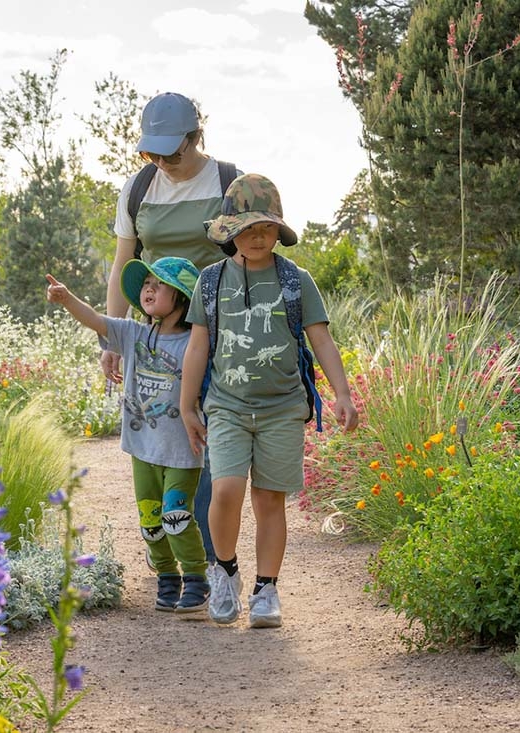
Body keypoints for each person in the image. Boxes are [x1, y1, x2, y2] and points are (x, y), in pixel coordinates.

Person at [179, 173, 359, 628]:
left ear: (278, 230)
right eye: (247, 228)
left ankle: (266, 590)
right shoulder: (210, 282)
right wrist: (187, 407)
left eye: (265, 228)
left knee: (269, 500)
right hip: (226, 406)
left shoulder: (295, 281)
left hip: (282, 408)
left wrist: (341, 394)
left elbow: (321, 339)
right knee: (225, 490)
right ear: (230, 232)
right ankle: (224, 571)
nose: (257, 237)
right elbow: (198, 347)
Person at [105, 90, 241, 570]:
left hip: (220, 331)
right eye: (151, 152)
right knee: (163, 433)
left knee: (203, 435)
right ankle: (171, 546)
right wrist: (113, 337)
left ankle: (204, 551)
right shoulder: (140, 188)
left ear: (196, 137)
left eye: (173, 151)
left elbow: (252, 259)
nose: (162, 161)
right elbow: (125, 261)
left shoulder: (229, 182)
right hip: (159, 334)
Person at [47, 257, 211, 613]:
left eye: (159, 284)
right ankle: (167, 576)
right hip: (143, 449)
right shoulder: (134, 334)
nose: (149, 289)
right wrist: (67, 298)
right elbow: (96, 320)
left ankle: (197, 577)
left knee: (176, 516)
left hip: (182, 450)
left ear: (182, 298)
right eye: (147, 283)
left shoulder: (194, 344)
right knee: (151, 521)